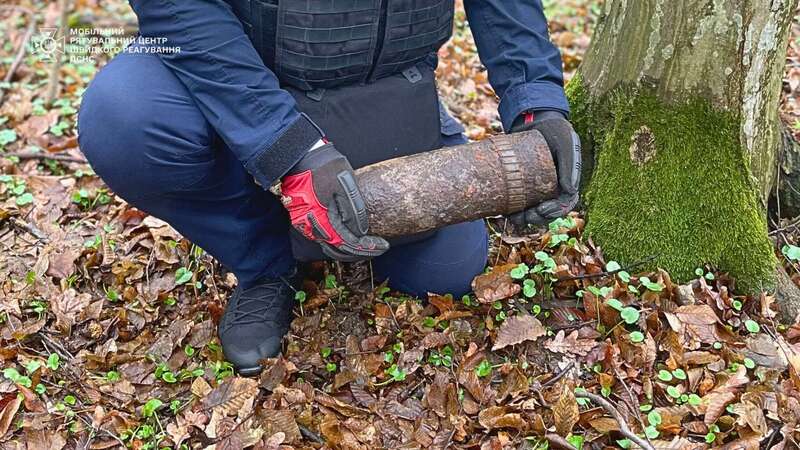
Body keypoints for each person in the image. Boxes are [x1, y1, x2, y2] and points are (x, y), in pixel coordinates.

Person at [77, 0, 581, 375]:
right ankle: (265, 264)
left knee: (448, 271)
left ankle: (337, 219)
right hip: (246, 77)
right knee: (124, 118)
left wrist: (534, 99)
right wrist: (293, 151)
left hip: (385, 91)